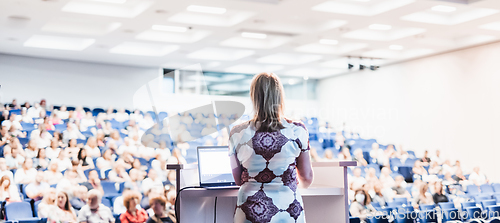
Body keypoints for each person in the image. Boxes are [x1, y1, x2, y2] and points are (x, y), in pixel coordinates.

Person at [229, 73, 313, 223]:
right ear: (280, 97)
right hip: (288, 210)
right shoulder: (297, 130)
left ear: (253, 97)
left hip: (250, 210)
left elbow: (237, 179)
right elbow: (306, 178)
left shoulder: (237, 133)